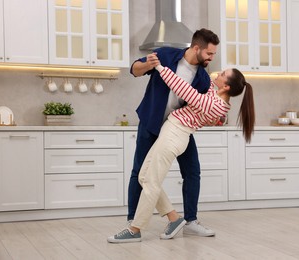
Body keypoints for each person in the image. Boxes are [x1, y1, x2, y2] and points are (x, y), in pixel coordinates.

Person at [107, 60, 255, 243]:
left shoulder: (215, 105)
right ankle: (174, 218)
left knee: (151, 181)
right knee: (143, 177)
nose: (218, 73)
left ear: (226, 86)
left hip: (175, 135)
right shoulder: (215, 95)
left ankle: (135, 229)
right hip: (171, 132)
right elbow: (207, 81)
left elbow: (184, 89)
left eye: (223, 74)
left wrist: (160, 67)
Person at [124, 28, 220, 239]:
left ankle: (191, 221)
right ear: (197, 48)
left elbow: (203, 107)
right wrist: (146, 65)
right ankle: (133, 219)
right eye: (209, 53)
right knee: (139, 171)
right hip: (151, 122)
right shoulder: (166, 55)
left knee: (192, 171)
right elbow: (134, 70)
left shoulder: (203, 78)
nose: (212, 58)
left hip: (178, 128)